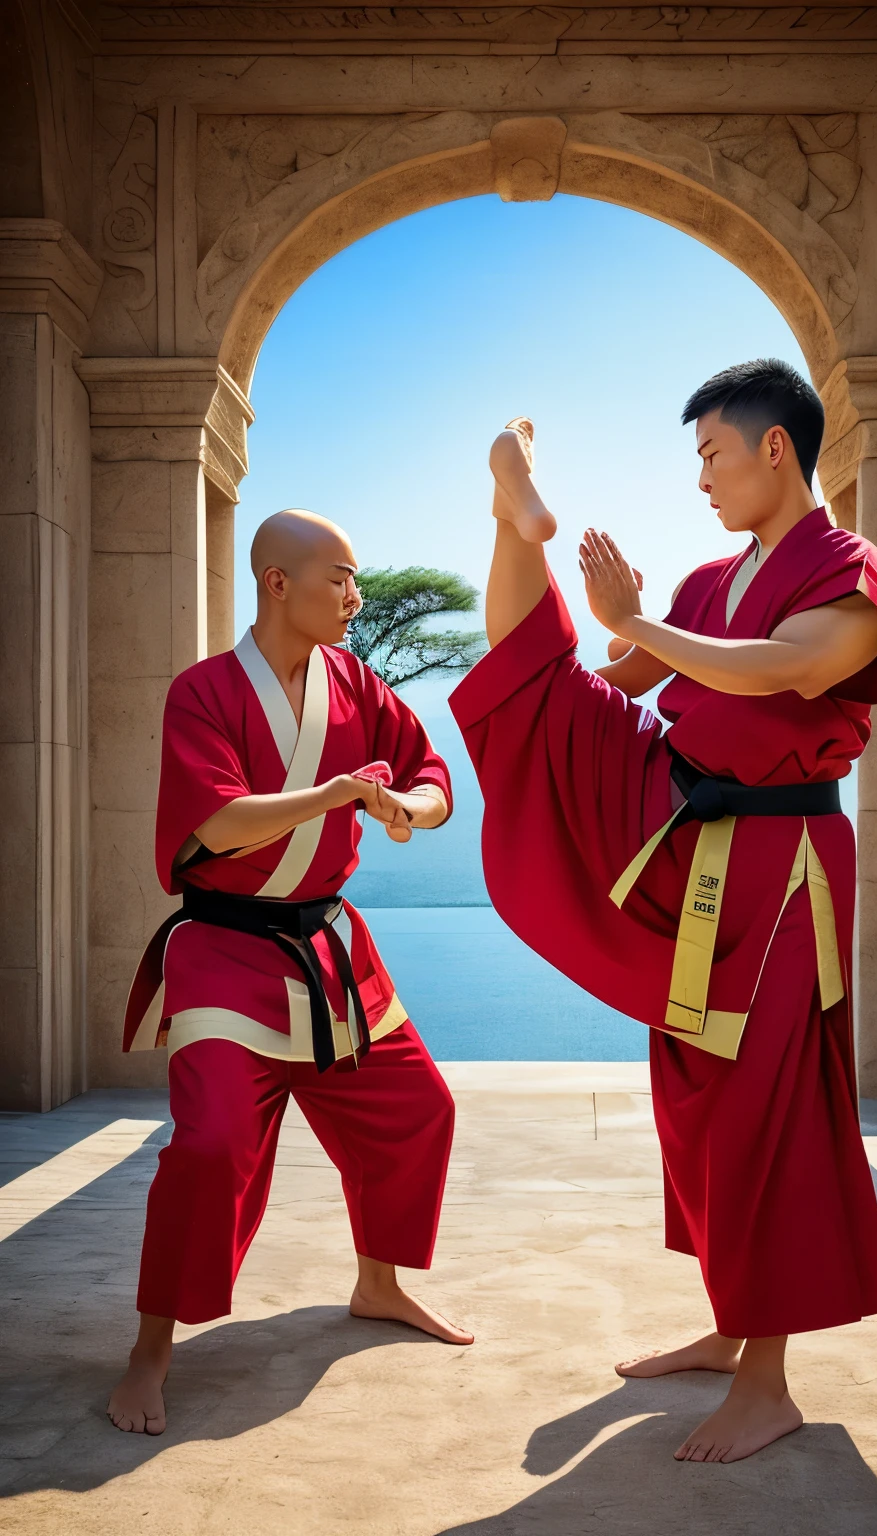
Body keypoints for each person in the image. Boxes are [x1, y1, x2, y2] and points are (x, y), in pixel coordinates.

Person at [450, 360, 877, 1464]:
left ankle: (769, 1381)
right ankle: (515, 521)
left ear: (773, 450)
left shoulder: (851, 570)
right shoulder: (712, 579)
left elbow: (779, 672)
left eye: (710, 455)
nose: (700, 479)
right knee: (542, 697)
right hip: (684, 821)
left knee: (766, 1105)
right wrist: (618, 628)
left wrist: (643, 624)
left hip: (780, 860)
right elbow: (617, 678)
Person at [107, 509, 473, 1436]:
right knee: (210, 1146)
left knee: (418, 1110)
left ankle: (378, 1285)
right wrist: (341, 792)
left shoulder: (359, 684)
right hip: (225, 952)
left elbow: (435, 776)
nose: (354, 596)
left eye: (355, 580)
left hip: (331, 950)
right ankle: (152, 1348)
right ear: (277, 582)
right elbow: (219, 823)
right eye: (339, 578)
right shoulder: (202, 693)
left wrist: (410, 809)